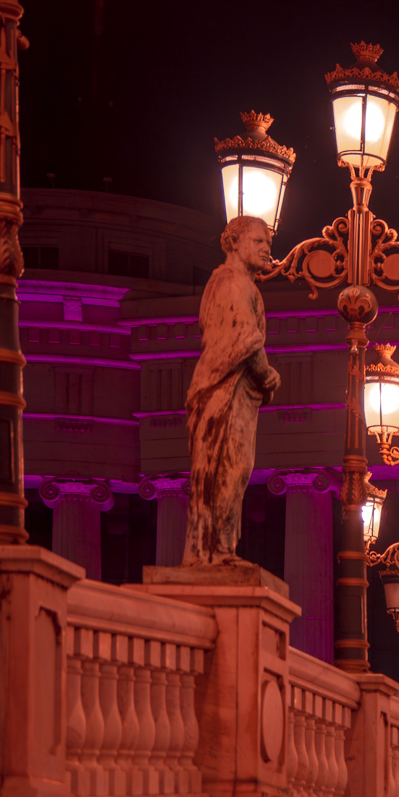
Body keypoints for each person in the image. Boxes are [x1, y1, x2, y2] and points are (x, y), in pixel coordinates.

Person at [183, 215, 280, 565]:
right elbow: (245, 337)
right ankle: (214, 552)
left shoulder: (235, 284)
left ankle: (217, 550)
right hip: (222, 389)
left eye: (268, 243)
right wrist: (266, 375)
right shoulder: (233, 283)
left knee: (232, 469)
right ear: (234, 243)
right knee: (228, 468)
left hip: (230, 388)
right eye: (258, 242)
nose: (267, 249)